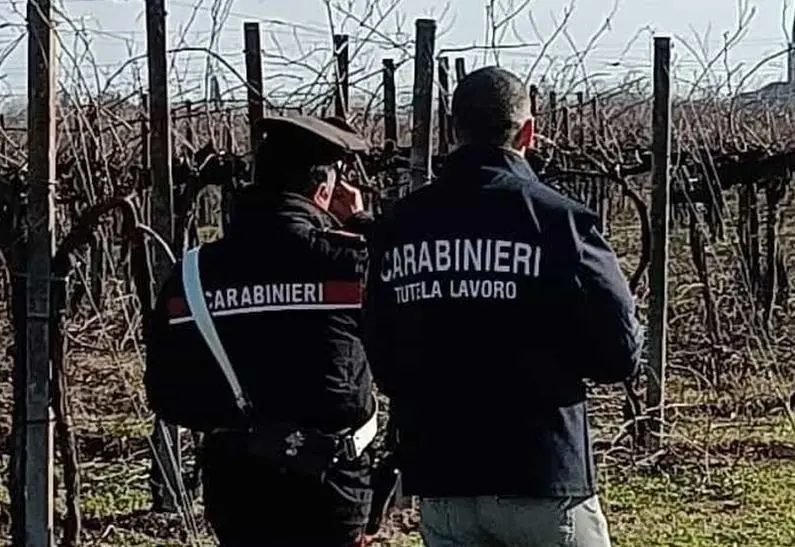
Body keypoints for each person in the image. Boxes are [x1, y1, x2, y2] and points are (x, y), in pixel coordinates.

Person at [363, 66, 643, 546]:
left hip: (442, 475)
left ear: (453, 132)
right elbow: (620, 353)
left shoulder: (399, 226)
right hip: (541, 471)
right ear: (528, 132)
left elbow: (383, 355)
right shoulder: (560, 221)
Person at [143, 114, 379, 546]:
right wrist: (362, 223)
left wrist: (239, 425)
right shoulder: (352, 264)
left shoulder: (193, 274)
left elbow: (166, 393)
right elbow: (398, 352)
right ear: (323, 188)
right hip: (333, 485)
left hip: (236, 486)